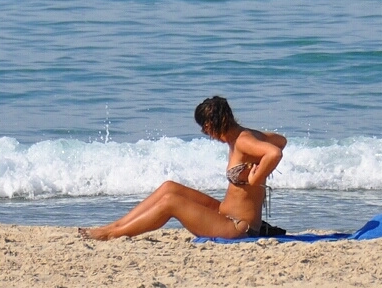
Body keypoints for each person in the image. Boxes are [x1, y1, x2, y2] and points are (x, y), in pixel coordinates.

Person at [79, 96, 286, 240]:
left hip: (239, 227)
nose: (206, 132)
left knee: (171, 203)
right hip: (224, 212)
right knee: (169, 187)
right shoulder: (243, 137)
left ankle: (112, 235)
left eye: (206, 127)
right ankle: (115, 226)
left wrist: (256, 178)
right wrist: (256, 158)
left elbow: (275, 153)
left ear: (215, 123)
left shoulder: (243, 140)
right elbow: (281, 141)